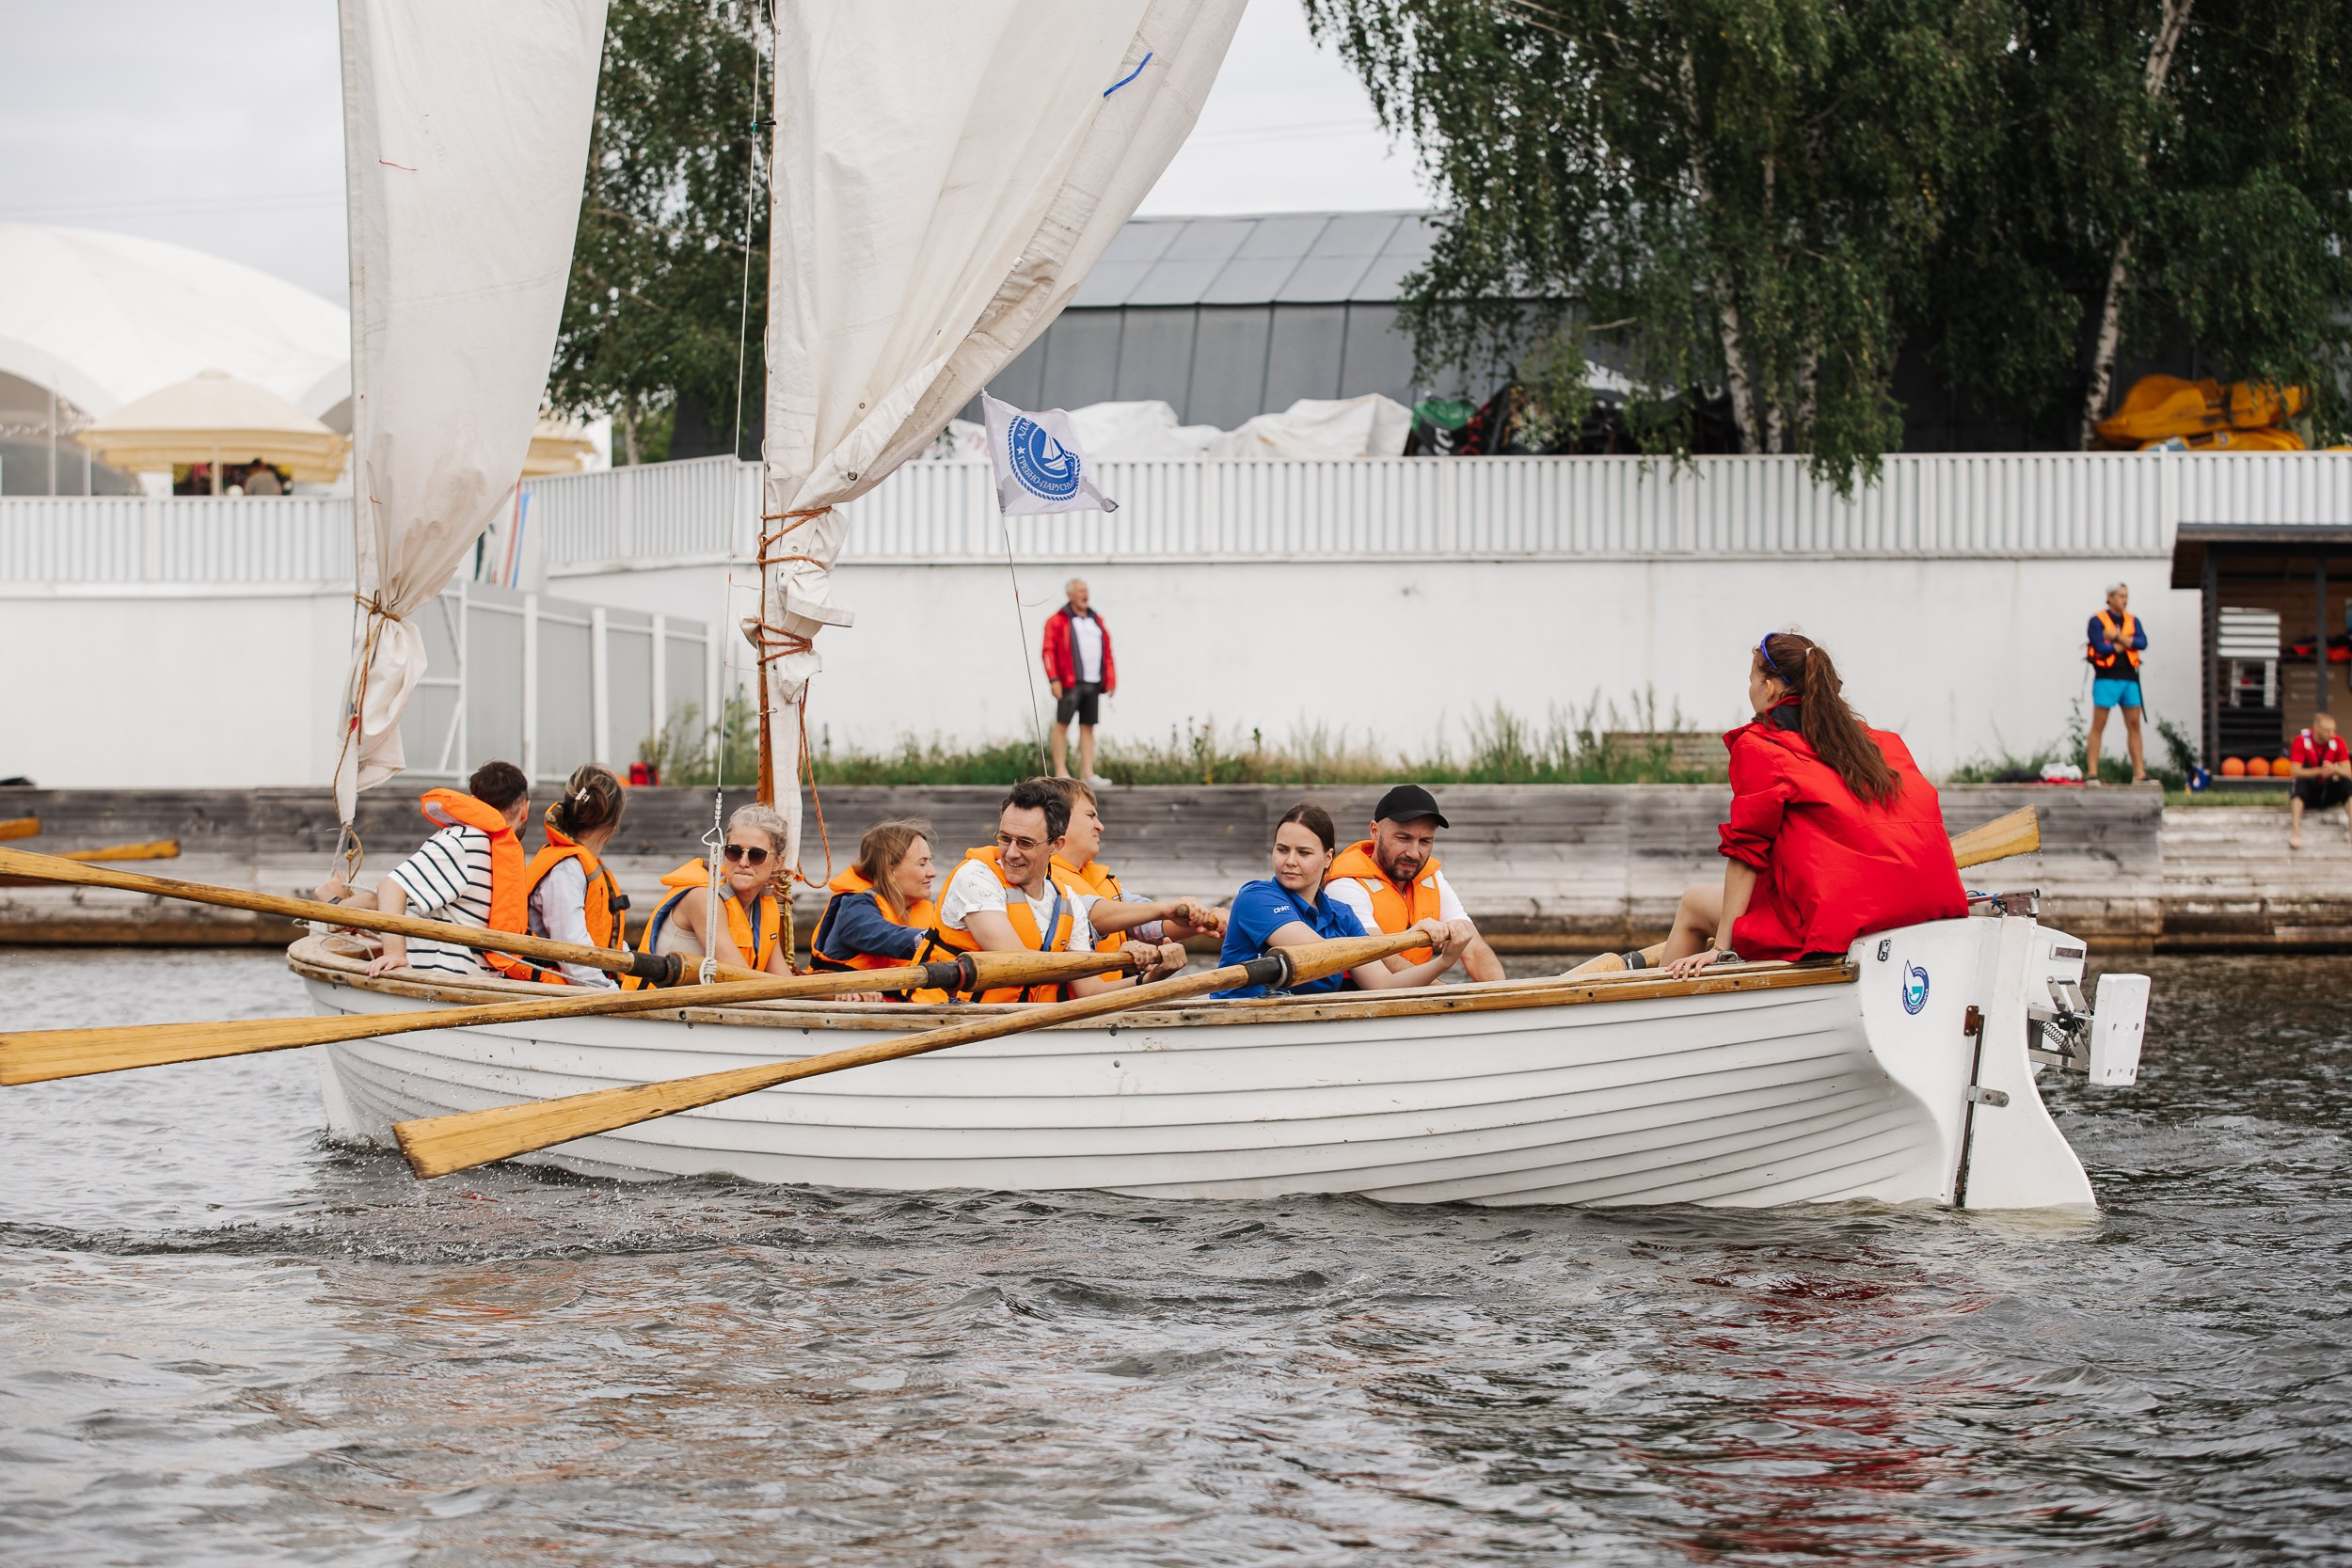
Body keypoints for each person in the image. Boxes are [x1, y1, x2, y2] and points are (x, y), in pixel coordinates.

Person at [1650, 630, 1966, 978]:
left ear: (1770, 688)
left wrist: (1723, 950)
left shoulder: (1762, 747)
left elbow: (1747, 853)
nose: (1751, 689)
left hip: (1831, 925)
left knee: (1694, 902)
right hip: (1924, 908)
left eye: (1752, 679)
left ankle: (1654, 1010)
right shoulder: (1880, 745)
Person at [934, 779, 1184, 1003]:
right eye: (1004, 838)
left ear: (1056, 845)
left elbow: (1090, 992)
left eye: (1025, 843)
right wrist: (1105, 960)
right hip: (948, 1017)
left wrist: (1152, 977)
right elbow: (1016, 962)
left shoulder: (1068, 902)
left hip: (1019, 1025)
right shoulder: (975, 877)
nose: (1011, 852)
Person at [311, 759, 543, 981]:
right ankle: (333, 912)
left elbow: (387, 894)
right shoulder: (468, 842)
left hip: (466, 986)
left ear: (475, 799)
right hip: (448, 984)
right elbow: (391, 887)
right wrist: (394, 954)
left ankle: (333, 911)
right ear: (525, 809)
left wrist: (335, 906)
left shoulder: (478, 844)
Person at [1217, 801, 1474, 998]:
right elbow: (1322, 953)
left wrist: (1445, 961)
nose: (1290, 861)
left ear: (1328, 858)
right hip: (1237, 1023)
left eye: (1304, 853)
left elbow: (1383, 985)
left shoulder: (1343, 915)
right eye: (1282, 850)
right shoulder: (1256, 897)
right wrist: (1399, 939)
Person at [1323, 784, 1505, 982]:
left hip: (1422, 992)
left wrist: (1502, 995)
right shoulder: (1344, 885)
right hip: (1360, 995)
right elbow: (1381, 957)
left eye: (1425, 841)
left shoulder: (1431, 878)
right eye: (1403, 838)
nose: (1414, 853)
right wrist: (1444, 993)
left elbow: (1474, 949)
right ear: (1375, 832)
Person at [1036, 776, 1226, 952]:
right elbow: (1090, 913)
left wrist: (1202, 921)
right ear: (1060, 821)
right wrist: (1164, 908)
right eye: (1090, 816)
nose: (1100, 826)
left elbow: (1147, 925)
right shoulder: (1038, 877)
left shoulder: (1095, 876)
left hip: (1109, 988)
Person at [629, 802, 794, 982]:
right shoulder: (703, 898)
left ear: (778, 862)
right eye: (734, 852)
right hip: (655, 1008)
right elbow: (741, 978)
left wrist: (827, 994)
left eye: (756, 855)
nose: (743, 862)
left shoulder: (765, 910)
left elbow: (786, 983)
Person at [808, 818, 952, 998]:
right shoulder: (855, 907)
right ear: (890, 870)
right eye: (922, 863)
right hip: (842, 1007)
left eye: (930, 861)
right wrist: (934, 941)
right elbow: (881, 935)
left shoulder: (921, 907)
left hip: (902, 1011)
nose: (933, 871)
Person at [522, 763, 628, 988]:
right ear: (613, 821)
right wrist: (612, 993)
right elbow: (573, 953)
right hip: (554, 993)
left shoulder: (580, 867)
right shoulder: (566, 872)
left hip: (583, 985)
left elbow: (601, 936)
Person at [1041, 578, 1115, 783]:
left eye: (1087, 590)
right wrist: (1053, 679)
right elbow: (1048, 650)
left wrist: (1110, 678)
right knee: (1062, 723)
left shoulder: (1096, 619)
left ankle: (1087, 773)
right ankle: (1060, 770)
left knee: (1088, 726)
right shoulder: (1058, 620)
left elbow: (1107, 650)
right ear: (1070, 595)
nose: (1086, 594)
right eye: (1081, 590)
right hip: (1069, 682)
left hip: (1093, 681)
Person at [2085, 582, 2149, 785]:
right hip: (2106, 679)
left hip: (2130, 679)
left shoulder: (2133, 620)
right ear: (2110, 597)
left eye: (2126, 596)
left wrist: (2117, 638)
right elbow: (2100, 648)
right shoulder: (2097, 621)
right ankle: (2093, 773)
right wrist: (2125, 644)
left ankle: (2139, 773)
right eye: (2121, 596)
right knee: (2099, 725)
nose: (2124, 600)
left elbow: (2142, 643)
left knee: (2134, 725)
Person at [2288, 713, 2352, 848]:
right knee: (2298, 783)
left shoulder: (2338, 742)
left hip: (2328, 792)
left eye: (2333, 730)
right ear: (2316, 728)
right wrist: (2318, 771)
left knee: (2347, 784)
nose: (2332, 733)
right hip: (2308, 793)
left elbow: (2348, 772)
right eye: (2328, 730)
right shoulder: (2301, 741)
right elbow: (2294, 771)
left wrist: (2334, 769)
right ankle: (2296, 833)